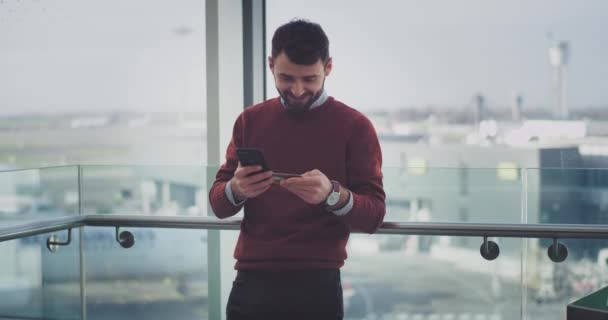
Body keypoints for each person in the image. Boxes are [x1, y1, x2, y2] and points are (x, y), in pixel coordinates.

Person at [208, 19, 385, 320]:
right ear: (270, 65)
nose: (298, 90)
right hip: (252, 282)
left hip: (317, 286)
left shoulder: (355, 127)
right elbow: (218, 205)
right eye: (286, 78)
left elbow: (374, 215)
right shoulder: (249, 121)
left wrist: (332, 196)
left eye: (310, 79)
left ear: (328, 68)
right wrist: (236, 189)